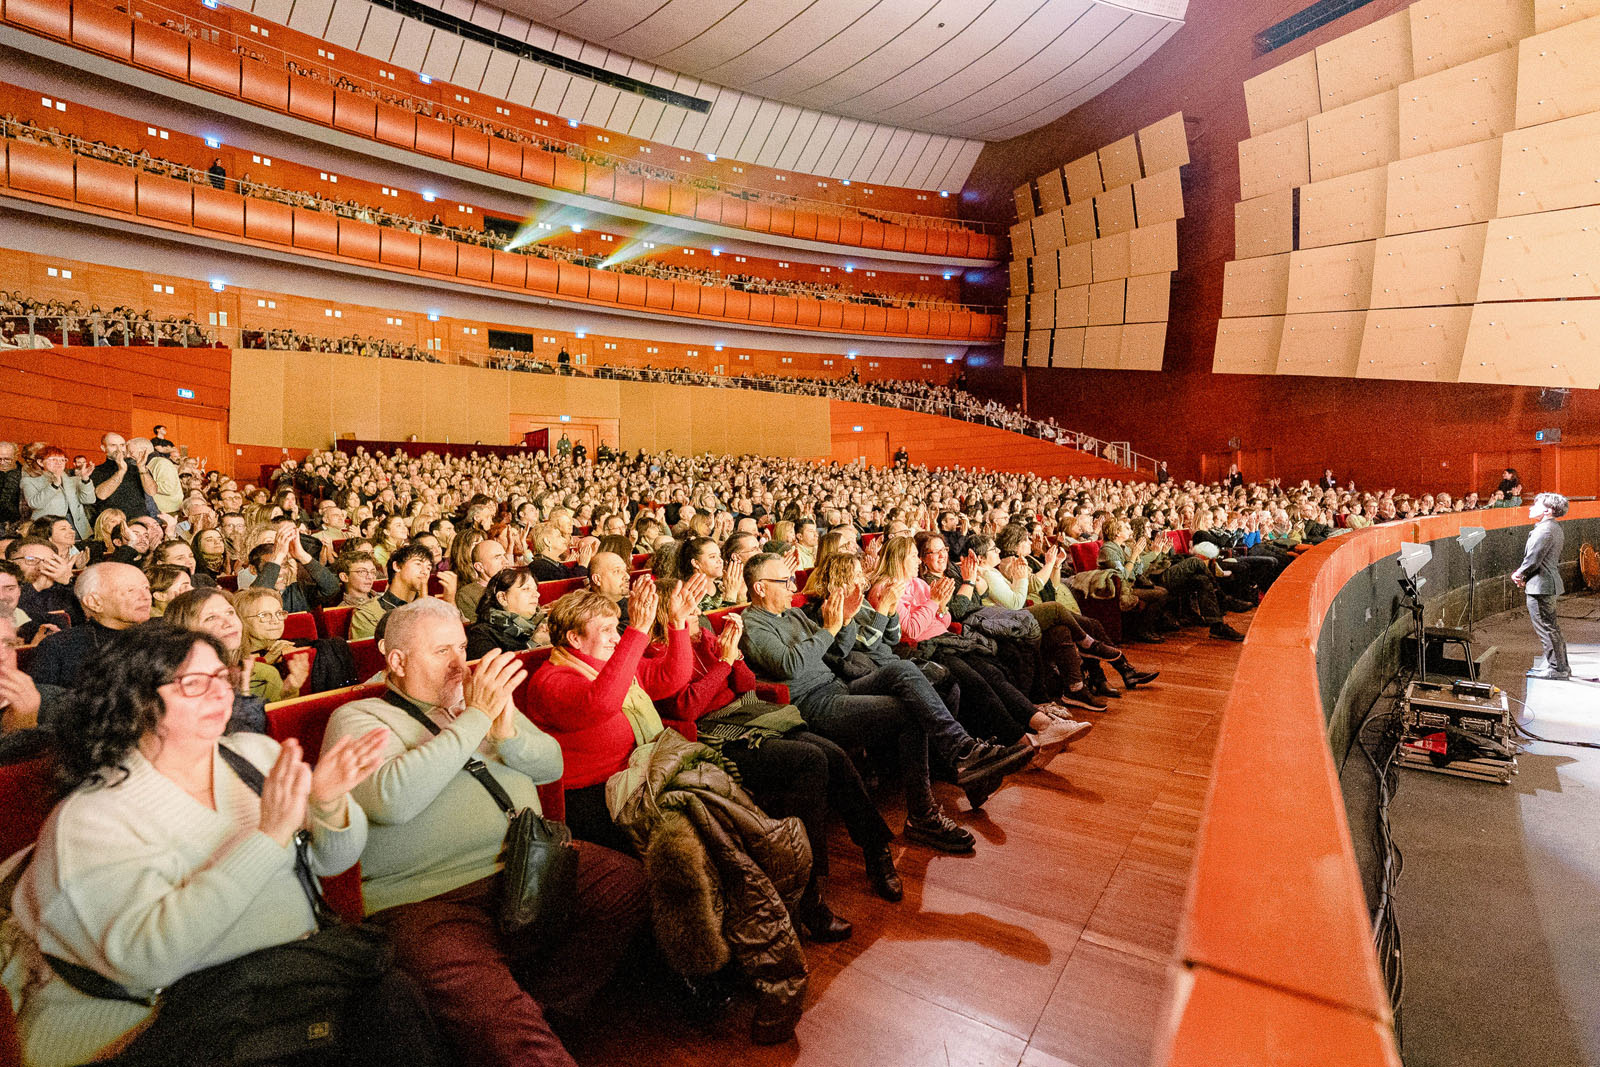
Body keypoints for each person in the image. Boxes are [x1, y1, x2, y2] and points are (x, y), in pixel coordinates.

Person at [0, 623, 417, 1067]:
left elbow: (331, 863)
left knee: (399, 1004)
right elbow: (149, 962)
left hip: (294, 978)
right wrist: (268, 837)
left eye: (222, 677)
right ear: (136, 699)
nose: (220, 694)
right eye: (194, 684)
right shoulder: (91, 818)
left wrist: (329, 803)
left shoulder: (254, 754)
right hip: (167, 1024)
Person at [323, 598, 647, 1067]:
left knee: (626, 883)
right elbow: (392, 800)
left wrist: (506, 728)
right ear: (396, 661)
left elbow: (551, 763)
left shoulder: (482, 706)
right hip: (429, 902)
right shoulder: (359, 719)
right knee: (511, 1036)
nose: (460, 663)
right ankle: (519, 1023)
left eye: (461, 646)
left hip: (528, 867)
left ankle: (542, 1006)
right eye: (441, 652)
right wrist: (475, 718)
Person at [739, 553, 1031, 853]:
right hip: (813, 704)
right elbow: (790, 665)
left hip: (839, 686)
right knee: (909, 712)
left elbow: (837, 654)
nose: (792, 586)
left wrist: (846, 621)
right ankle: (928, 807)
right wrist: (829, 627)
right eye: (784, 581)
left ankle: (961, 750)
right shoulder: (752, 625)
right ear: (760, 588)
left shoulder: (793, 615)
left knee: (903, 670)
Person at [647, 578, 902, 915]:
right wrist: (724, 663)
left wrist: (733, 657)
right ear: (667, 615)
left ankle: (876, 851)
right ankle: (811, 893)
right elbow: (687, 708)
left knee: (835, 756)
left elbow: (747, 685)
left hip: (751, 716)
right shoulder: (655, 654)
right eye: (690, 611)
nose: (698, 616)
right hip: (716, 736)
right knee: (812, 761)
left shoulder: (703, 636)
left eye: (696, 609)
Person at [27, 563, 152, 688]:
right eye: (131, 590)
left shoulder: (162, 637)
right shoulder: (60, 647)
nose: (146, 597)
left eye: (146, 588)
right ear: (94, 602)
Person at [1515, 493, 1571, 680]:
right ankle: (1560, 666)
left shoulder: (1545, 530)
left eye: (1535, 505)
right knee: (1550, 627)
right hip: (1544, 583)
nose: (1531, 508)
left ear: (1547, 510)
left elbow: (1533, 559)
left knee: (1547, 628)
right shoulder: (1551, 528)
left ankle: (1558, 669)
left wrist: (1520, 574)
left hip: (1541, 585)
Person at [234, 587, 312, 701]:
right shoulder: (236, 663)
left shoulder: (295, 646)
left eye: (279, 613)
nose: (276, 621)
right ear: (242, 620)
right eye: (264, 615)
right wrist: (265, 661)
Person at [351, 543, 438, 641]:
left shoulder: (432, 607)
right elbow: (374, 653)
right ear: (397, 566)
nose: (425, 572)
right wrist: (417, 612)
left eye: (428, 568)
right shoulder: (366, 615)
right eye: (418, 564)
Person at [465, 566, 547, 657]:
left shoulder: (539, 624)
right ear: (502, 598)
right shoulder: (480, 635)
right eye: (526, 589)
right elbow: (495, 670)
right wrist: (533, 645)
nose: (537, 594)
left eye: (535, 589)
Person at [20, 448, 92, 539]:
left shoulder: (73, 480)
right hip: (49, 530)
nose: (59, 463)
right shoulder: (29, 481)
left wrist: (85, 479)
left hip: (78, 529)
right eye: (53, 459)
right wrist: (54, 485)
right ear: (40, 462)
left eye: (63, 460)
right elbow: (34, 504)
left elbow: (89, 500)